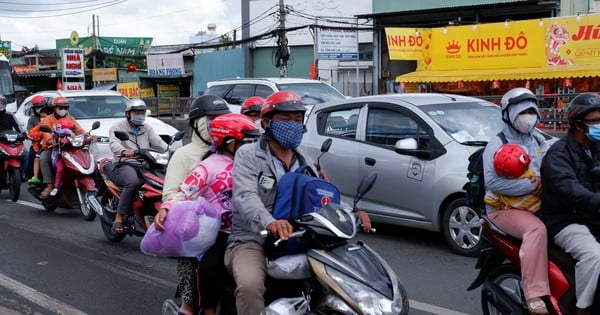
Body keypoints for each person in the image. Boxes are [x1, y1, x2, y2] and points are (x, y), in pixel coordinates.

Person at [224, 91, 372, 315]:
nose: (293, 125)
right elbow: (245, 197)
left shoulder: (304, 157)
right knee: (250, 285)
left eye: (297, 119)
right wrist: (270, 222)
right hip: (253, 239)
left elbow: (323, 193)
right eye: (285, 120)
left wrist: (352, 212)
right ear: (266, 122)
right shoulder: (248, 154)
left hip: (301, 238)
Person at [154, 113, 260, 315]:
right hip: (223, 232)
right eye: (246, 142)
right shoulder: (208, 166)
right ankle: (209, 309)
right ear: (228, 142)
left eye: (254, 141)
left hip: (255, 229)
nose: (252, 146)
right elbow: (184, 192)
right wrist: (166, 208)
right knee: (209, 267)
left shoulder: (256, 163)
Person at [482, 87, 550, 315]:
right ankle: (533, 294)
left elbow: (555, 161)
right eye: (523, 111)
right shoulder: (496, 144)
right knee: (536, 231)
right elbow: (493, 183)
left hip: (535, 205)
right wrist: (532, 184)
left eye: (532, 110)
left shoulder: (539, 139)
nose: (529, 116)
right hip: (503, 208)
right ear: (508, 114)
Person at [538, 92, 600, 315]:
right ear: (577, 124)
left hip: (592, 216)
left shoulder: (595, 147)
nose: (599, 125)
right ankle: (582, 309)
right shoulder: (559, 154)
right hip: (565, 220)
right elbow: (570, 190)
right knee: (594, 255)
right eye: (594, 121)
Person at [108, 98, 168, 233]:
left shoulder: (147, 128)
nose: (139, 115)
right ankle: (119, 216)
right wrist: (124, 151)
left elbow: (159, 143)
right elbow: (114, 143)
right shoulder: (118, 127)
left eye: (142, 112)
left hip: (146, 164)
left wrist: (171, 151)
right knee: (132, 182)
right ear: (128, 113)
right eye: (136, 112)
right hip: (125, 163)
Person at [162, 94, 231, 202]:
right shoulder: (183, 155)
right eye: (212, 118)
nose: (218, 123)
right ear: (196, 123)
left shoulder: (231, 151)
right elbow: (170, 197)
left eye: (222, 118)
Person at [37, 97, 86, 198]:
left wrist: (89, 136)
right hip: (52, 147)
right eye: (60, 107)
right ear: (54, 108)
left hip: (68, 147)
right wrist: (51, 139)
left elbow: (79, 129)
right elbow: (46, 134)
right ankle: (49, 185)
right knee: (44, 158)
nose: (63, 109)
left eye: (66, 107)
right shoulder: (48, 119)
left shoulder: (70, 118)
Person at [484, 143, 541, 213]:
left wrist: (505, 207)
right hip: (539, 207)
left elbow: (489, 199)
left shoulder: (498, 192)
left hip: (518, 212)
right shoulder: (532, 174)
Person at [24, 95, 48, 182]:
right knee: (31, 156)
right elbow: (31, 133)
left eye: (43, 106)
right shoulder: (32, 119)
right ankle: (31, 176)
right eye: (38, 107)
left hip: (53, 143)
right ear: (34, 109)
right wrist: (41, 133)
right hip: (38, 144)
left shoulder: (52, 116)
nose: (41, 109)